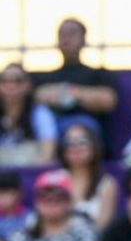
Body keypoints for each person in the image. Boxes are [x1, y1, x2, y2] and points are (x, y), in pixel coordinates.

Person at [33, 18, 119, 153]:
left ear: (84, 40)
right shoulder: (45, 77)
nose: (66, 38)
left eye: (72, 33)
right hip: (51, 128)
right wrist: (82, 95)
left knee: (77, 132)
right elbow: (36, 96)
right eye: (62, 34)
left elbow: (107, 100)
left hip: (89, 131)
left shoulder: (99, 74)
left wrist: (66, 93)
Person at [9, 168, 97, 241]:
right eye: (44, 196)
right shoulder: (23, 234)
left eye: (58, 197)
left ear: (70, 201)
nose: (51, 200)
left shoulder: (84, 232)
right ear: (36, 202)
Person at [56, 122, 117, 233]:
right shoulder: (54, 179)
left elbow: (103, 228)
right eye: (69, 143)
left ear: (94, 146)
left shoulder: (107, 184)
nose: (75, 147)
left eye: (82, 142)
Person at [0, 63, 56, 166]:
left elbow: (47, 152)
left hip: (31, 171)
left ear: (28, 85)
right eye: (4, 80)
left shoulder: (40, 113)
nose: (11, 85)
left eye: (18, 80)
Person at [0, 172, 27, 241]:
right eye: (0, 193)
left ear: (19, 193)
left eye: (7, 192)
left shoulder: (31, 218)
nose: (3, 198)